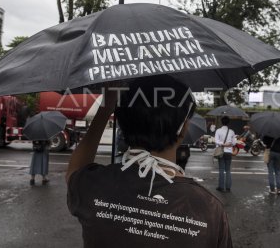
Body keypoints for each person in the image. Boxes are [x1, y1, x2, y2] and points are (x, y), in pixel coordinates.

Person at [66, 76, 233, 248]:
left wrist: (105, 108)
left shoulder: (94, 185)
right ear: (183, 129)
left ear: (123, 124)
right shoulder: (209, 209)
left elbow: (75, 171)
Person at [215, 116, 236, 193]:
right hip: (229, 152)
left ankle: (221, 187)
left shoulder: (218, 131)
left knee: (221, 169)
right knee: (228, 170)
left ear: (221, 122)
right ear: (228, 123)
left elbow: (216, 141)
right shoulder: (232, 131)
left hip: (221, 152)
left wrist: (223, 144)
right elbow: (234, 143)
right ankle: (228, 188)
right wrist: (228, 144)